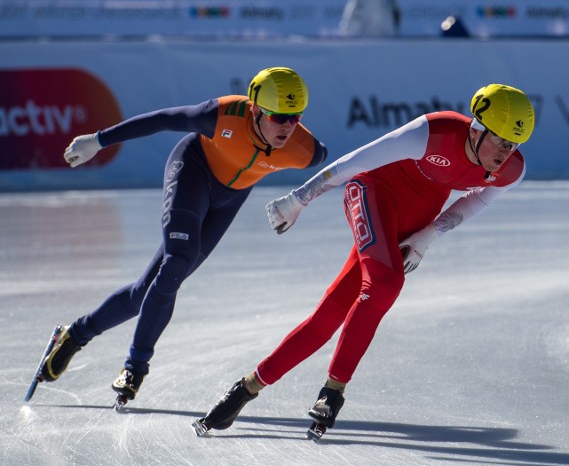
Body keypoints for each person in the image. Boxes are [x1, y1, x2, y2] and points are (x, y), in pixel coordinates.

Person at [194, 83, 535, 439]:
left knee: (329, 316)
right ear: (477, 129)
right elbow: (353, 162)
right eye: (500, 141)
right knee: (385, 285)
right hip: (372, 194)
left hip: (412, 221)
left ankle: (246, 388)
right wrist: (299, 198)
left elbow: (479, 200)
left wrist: (429, 236)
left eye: (514, 145)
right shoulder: (433, 132)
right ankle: (333, 392)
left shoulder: (512, 169)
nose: (505, 154)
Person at [36, 67, 327, 408]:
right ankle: (135, 366)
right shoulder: (222, 115)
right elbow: (161, 119)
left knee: (147, 292)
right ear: (256, 110)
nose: (288, 127)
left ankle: (75, 335)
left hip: (229, 200)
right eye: (280, 117)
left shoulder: (306, 150)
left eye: (296, 117)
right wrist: (98, 141)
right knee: (177, 263)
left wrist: (299, 201)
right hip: (194, 170)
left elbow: (342, 169)